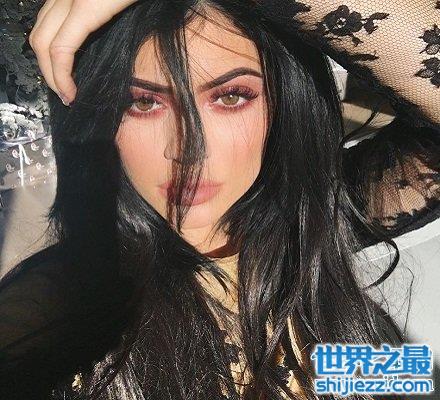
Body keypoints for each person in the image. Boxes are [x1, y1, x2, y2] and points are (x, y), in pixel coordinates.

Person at [0, 0, 439, 399]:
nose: (187, 150)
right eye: (143, 103)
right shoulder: (57, 304)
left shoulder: (311, 220)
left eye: (230, 96)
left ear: (284, 103)